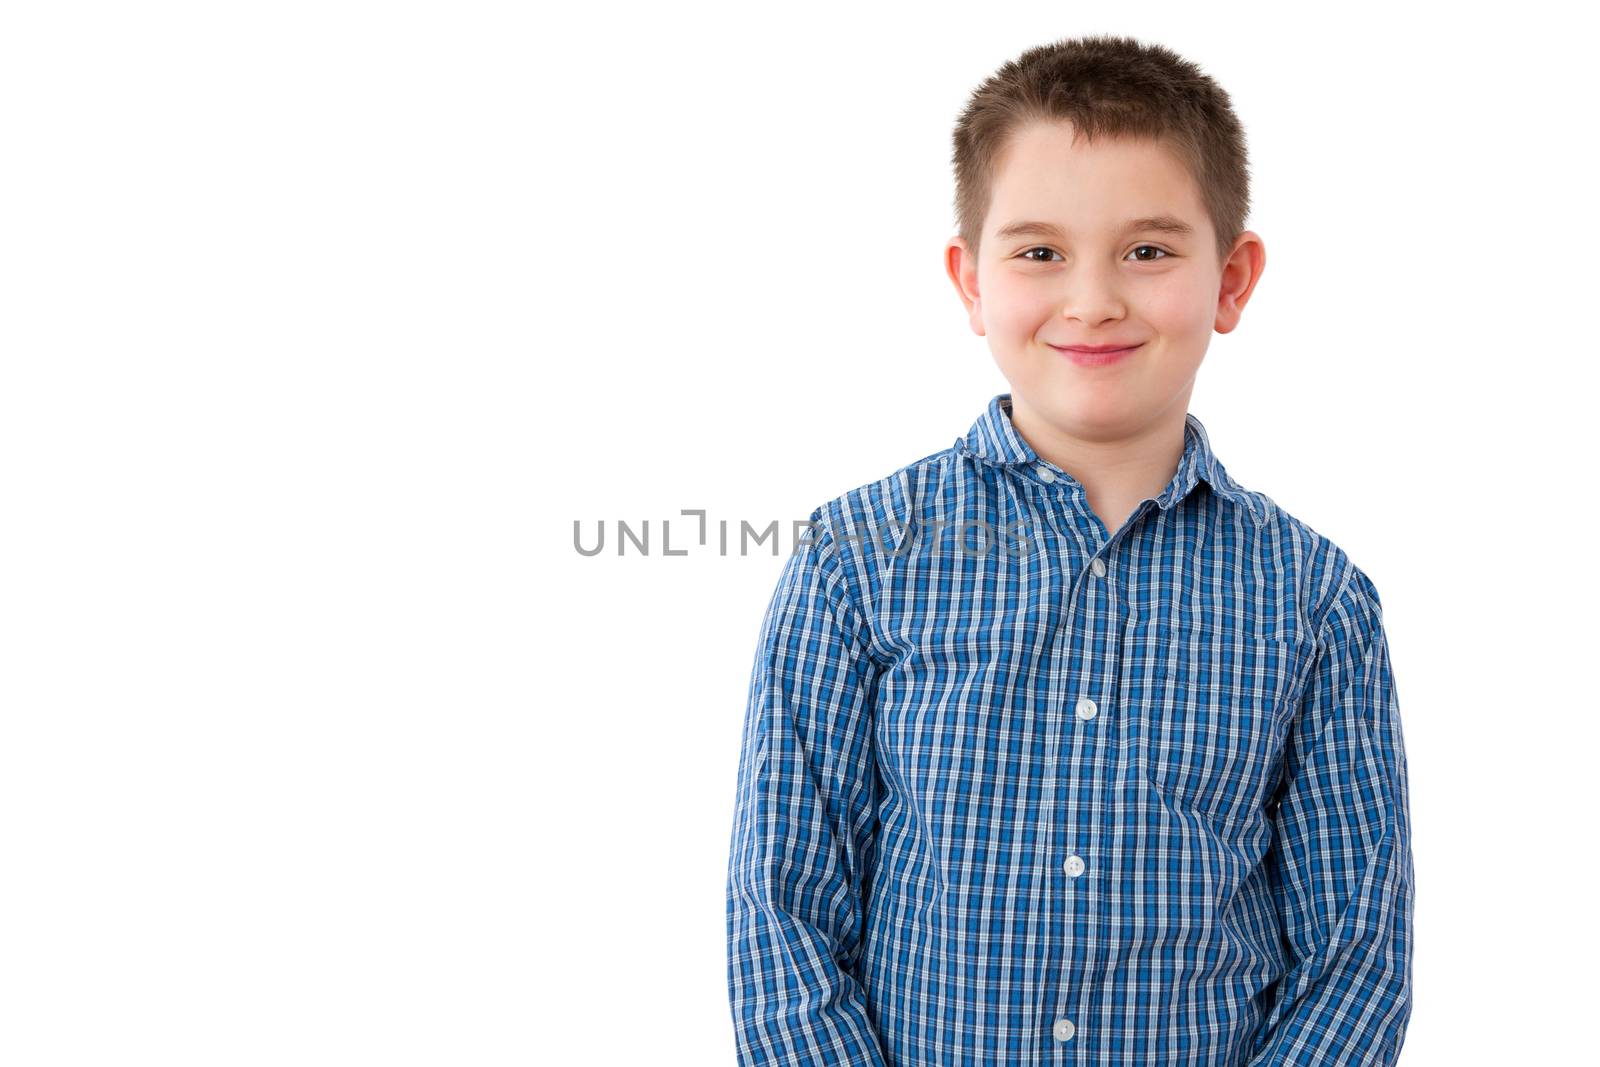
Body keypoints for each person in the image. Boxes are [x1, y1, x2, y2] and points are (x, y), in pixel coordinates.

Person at [724, 33, 1414, 1067]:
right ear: (970, 282)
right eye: (1040, 251)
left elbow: (1354, 956)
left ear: (1232, 280)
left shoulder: (1315, 603)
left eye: (1146, 250)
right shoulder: (853, 562)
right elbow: (782, 917)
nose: (1091, 299)